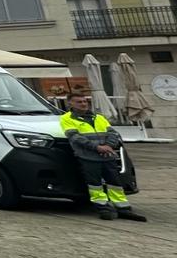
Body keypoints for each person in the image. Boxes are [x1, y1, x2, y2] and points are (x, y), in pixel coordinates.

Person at [61, 93, 146, 221]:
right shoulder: (67, 119)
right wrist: (97, 147)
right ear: (70, 104)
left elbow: (112, 133)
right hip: (88, 157)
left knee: (115, 183)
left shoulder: (98, 117)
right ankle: (103, 209)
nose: (83, 104)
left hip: (107, 155)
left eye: (85, 101)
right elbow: (75, 138)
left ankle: (123, 208)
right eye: (79, 102)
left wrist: (108, 146)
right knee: (95, 185)